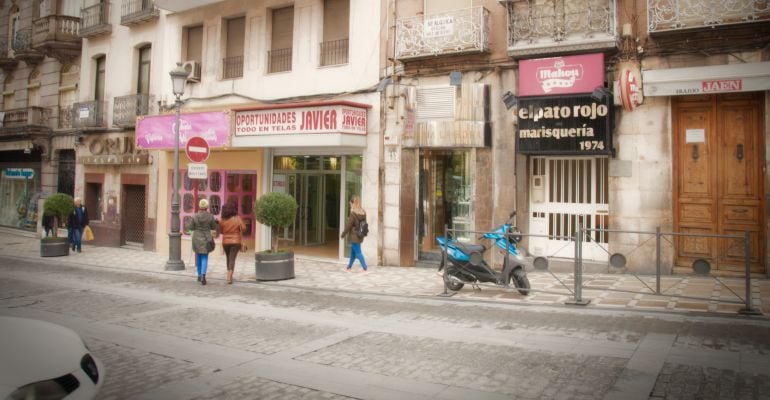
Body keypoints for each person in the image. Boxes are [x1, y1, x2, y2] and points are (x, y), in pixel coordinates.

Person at [190, 198, 218, 285]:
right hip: (206, 239)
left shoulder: (194, 216)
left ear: (199, 206)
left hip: (197, 239)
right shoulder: (210, 216)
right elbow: (213, 228)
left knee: (198, 256)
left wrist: (191, 233)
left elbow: (191, 228)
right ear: (207, 207)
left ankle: (199, 275)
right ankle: (203, 276)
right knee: (205, 257)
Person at [219, 201, 246, 285]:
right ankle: (229, 276)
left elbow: (221, 231)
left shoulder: (222, 220)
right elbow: (244, 228)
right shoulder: (237, 218)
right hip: (236, 241)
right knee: (232, 258)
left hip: (226, 242)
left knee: (228, 257)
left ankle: (229, 274)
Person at [340, 195, 368, 273]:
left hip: (354, 236)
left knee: (358, 252)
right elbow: (364, 224)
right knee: (352, 252)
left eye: (350, 203)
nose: (350, 204)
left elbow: (348, 226)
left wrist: (343, 234)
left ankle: (365, 268)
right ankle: (348, 268)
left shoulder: (353, 214)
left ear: (353, 203)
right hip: (360, 235)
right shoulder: (363, 212)